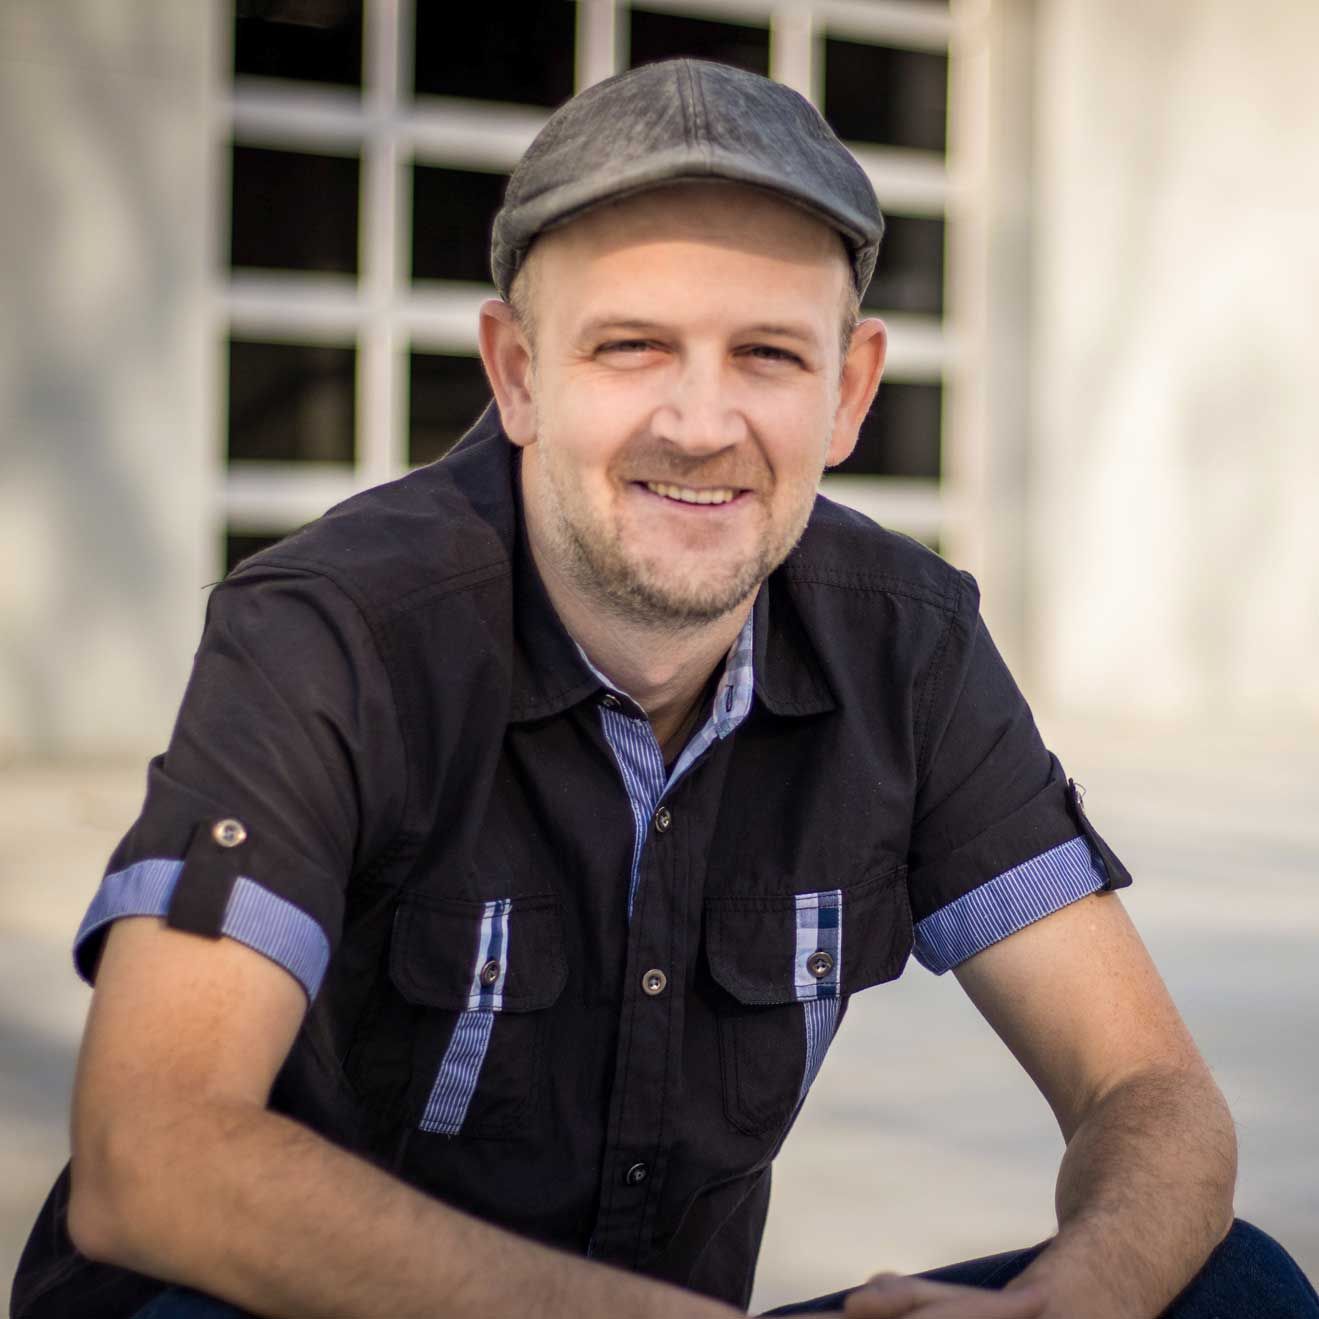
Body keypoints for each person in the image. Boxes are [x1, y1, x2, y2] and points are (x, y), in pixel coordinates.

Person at [10, 58, 1317, 1319]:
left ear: (851, 390)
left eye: (768, 355)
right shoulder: (335, 632)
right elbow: (152, 1155)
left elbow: (1149, 1089)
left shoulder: (905, 644)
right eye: (633, 346)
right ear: (519, 373)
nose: (699, 425)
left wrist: (1082, 1302)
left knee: (1229, 1289)